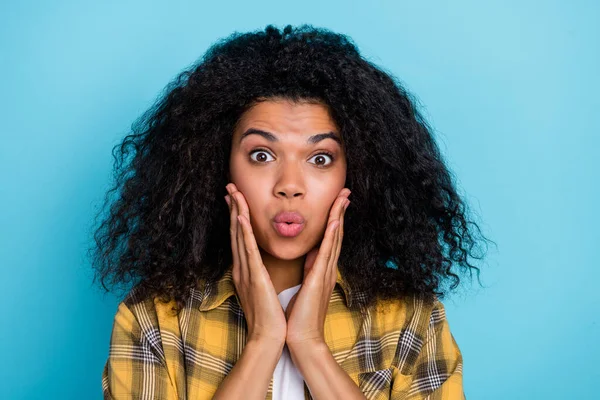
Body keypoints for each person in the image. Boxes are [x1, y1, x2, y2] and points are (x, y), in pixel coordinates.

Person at [91, 24, 490, 400]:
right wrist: (264, 340)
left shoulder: (410, 317)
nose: (290, 185)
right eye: (261, 155)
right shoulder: (154, 318)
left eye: (320, 158)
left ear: (356, 173)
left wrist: (309, 346)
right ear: (217, 165)